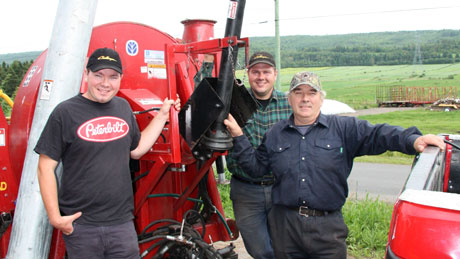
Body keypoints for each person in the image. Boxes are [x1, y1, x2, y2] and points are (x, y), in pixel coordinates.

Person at [224, 71, 445, 258]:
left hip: (327, 230)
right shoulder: (275, 134)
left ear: (321, 99)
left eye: (312, 93)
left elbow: (379, 134)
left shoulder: (344, 129)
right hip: (285, 227)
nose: (305, 99)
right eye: (298, 93)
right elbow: (256, 168)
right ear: (289, 99)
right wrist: (238, 135)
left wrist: (412, 140)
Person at [35, 47, 180, 258]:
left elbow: (137, 150)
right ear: (87, 75)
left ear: (120, 78)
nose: (105, 83)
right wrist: (55, 218)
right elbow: (45, 167)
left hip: (122, 225)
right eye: (98, 75)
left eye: (113, 77)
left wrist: (162, 115)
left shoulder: (122, 108)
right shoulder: (65, 112)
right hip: (82, 226)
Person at [226, 51, 291, 259]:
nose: (261, 77)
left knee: (285, 246)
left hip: (281, 188)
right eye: (255, 72)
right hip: (246, 190)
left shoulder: (289, 105)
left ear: (275, 74)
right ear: (248, 73)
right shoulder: (233, 104)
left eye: (266, 72)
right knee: (259, 250)